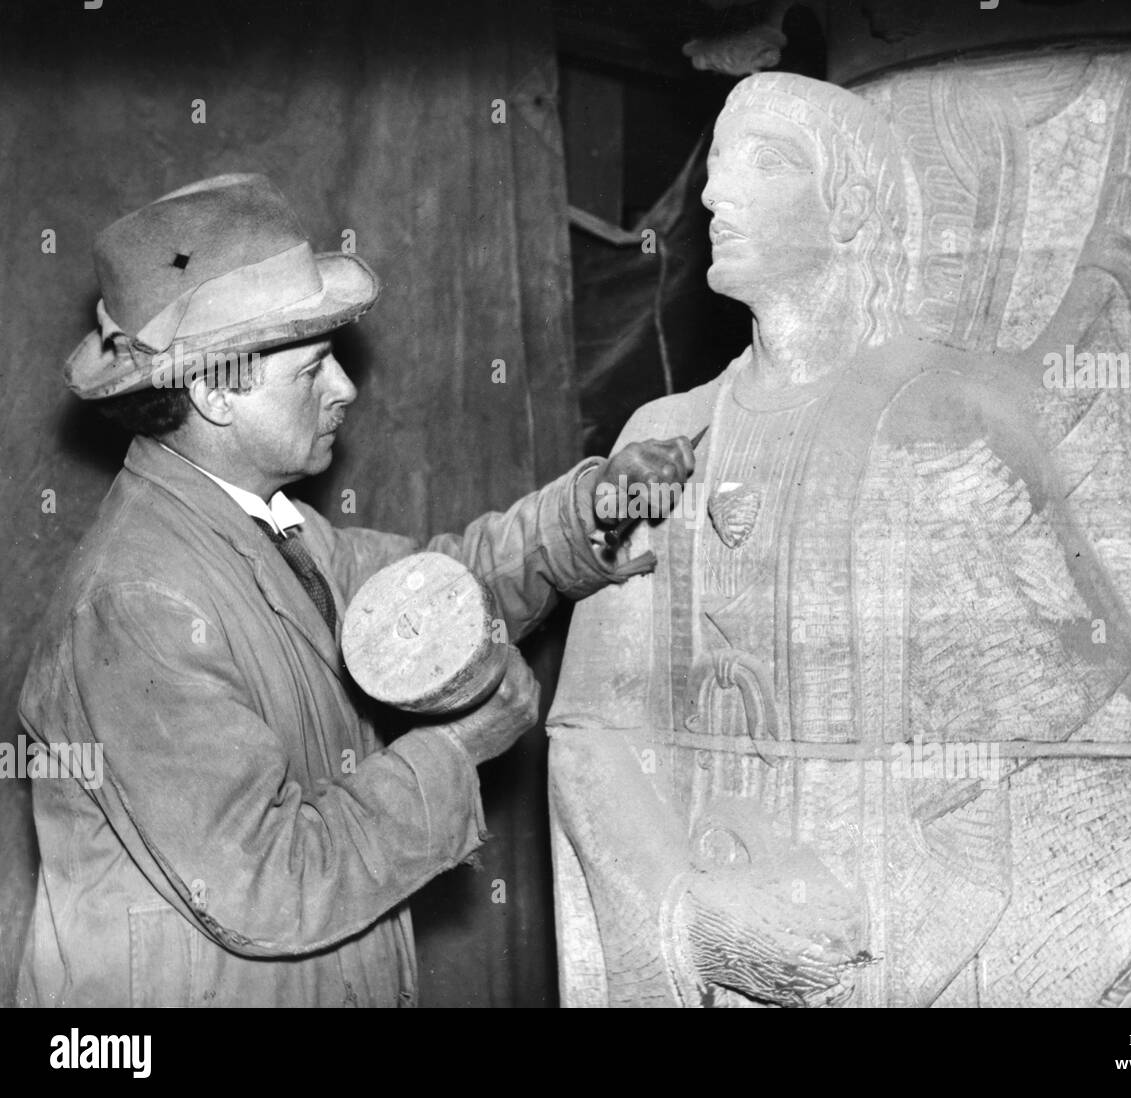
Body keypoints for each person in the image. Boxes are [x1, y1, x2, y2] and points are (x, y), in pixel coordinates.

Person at [548, 74, 1131, 1008]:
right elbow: (590, 727)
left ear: (850, 204)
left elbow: (1078, 703)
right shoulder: (666, 433)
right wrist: (691, 923)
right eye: (717, 167)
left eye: (764, 162)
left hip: (908, 948)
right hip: (718, 940)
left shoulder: (934, 417)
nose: (717, 195)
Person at [18, 173, 695, 1007]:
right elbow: (270, 882)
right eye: (312, 370)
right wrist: (455, 750)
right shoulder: (138, 603)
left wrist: (590, 510)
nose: (345, 388)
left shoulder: (274, 529)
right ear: (215, 392)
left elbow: (444, 587)